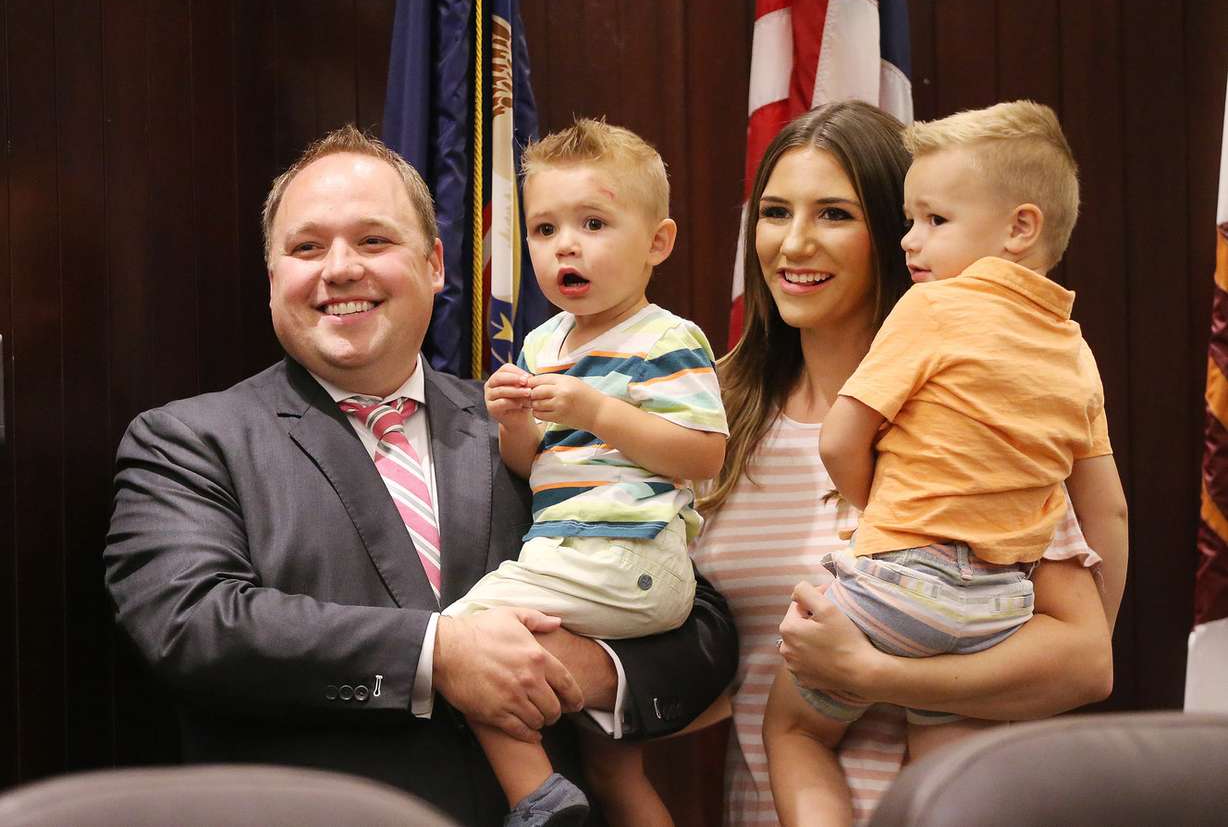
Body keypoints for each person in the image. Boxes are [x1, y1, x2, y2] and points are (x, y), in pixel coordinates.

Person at [103, 125, 738, 826]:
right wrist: (441, 654)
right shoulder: (188, 442)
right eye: (306, 247)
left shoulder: (529, 416)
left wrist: (576, 669)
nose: (340, 268)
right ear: (273, 274)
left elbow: (700, 623)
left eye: (374, 241)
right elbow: (192, 625)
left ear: (437, 263)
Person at [691, 100, 1123, 825]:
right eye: (773, 212)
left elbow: (1083, 661)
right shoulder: (704, 415)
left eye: (834, 214)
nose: (795, 243)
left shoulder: (976, 413)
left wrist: (875, 673)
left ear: (895, 234)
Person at [445, 118, 728, 826]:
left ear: (657, 243)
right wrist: (514, 421)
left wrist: (598, 411)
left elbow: (703, 453)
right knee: (613, 763)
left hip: (630, 554)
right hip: (574, 552)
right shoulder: (543, 342)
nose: (565, 244)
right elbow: (531, 463)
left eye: (593, 223)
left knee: (463, 635)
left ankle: (535, 798)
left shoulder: (666, 337)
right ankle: (562, 794)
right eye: (544, 230)